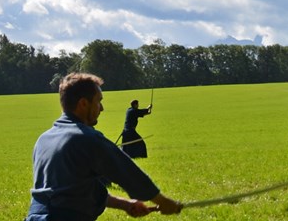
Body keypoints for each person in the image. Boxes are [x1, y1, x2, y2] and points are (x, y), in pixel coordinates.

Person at [28, 73, 182, 220]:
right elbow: (128, 173)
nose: (101, 108)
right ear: (83, 103)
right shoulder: (85, 138)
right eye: (98, 101)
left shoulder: (44, 139)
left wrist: (125, 204)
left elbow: (79, 191)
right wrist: (162, 201)